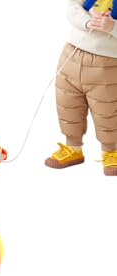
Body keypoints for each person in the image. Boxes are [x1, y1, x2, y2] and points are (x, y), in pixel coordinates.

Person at [45, 0, 117, 176]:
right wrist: (87, 22)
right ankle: (73, 147)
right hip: (72, 54)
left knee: (107, 111)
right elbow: (72, 7)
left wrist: (112, 27)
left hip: (107, 64)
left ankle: (110, 151)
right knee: (67, 105)